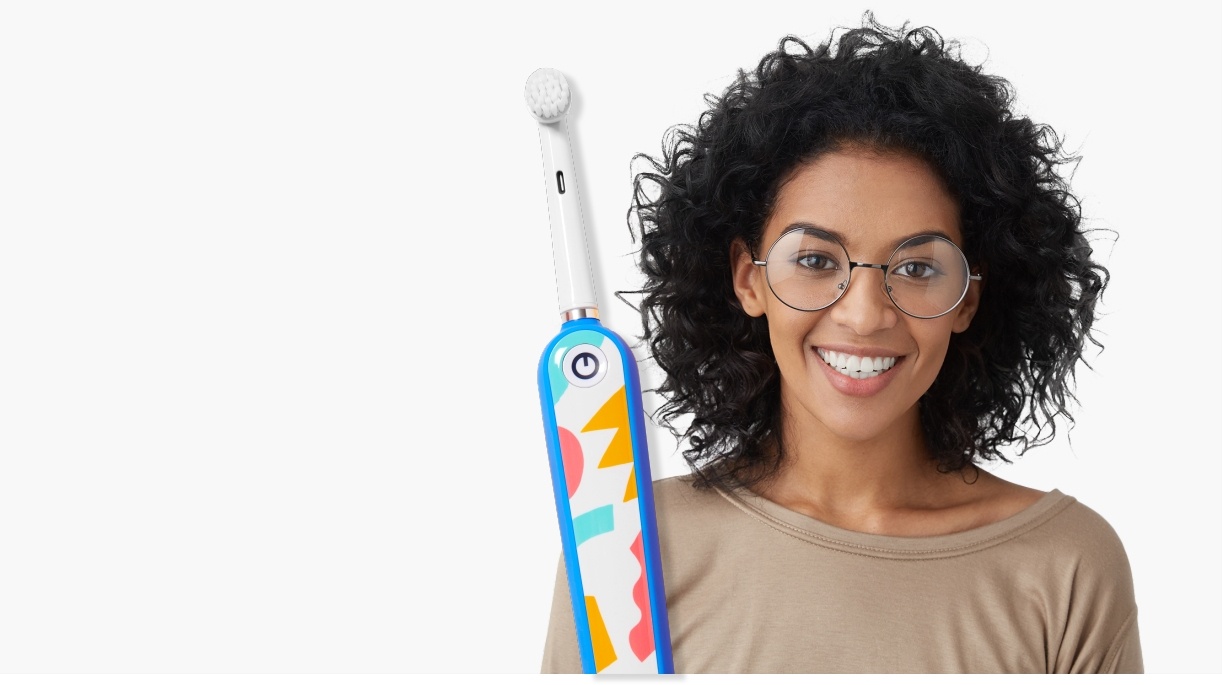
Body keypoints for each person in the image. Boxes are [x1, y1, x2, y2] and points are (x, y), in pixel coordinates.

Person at [541, 16, 1141, 674]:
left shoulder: (1065, 566)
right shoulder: (623, 546)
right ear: (749, 278)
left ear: (968, 296)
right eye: (817, 259)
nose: (863, 315)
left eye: (916, 268)